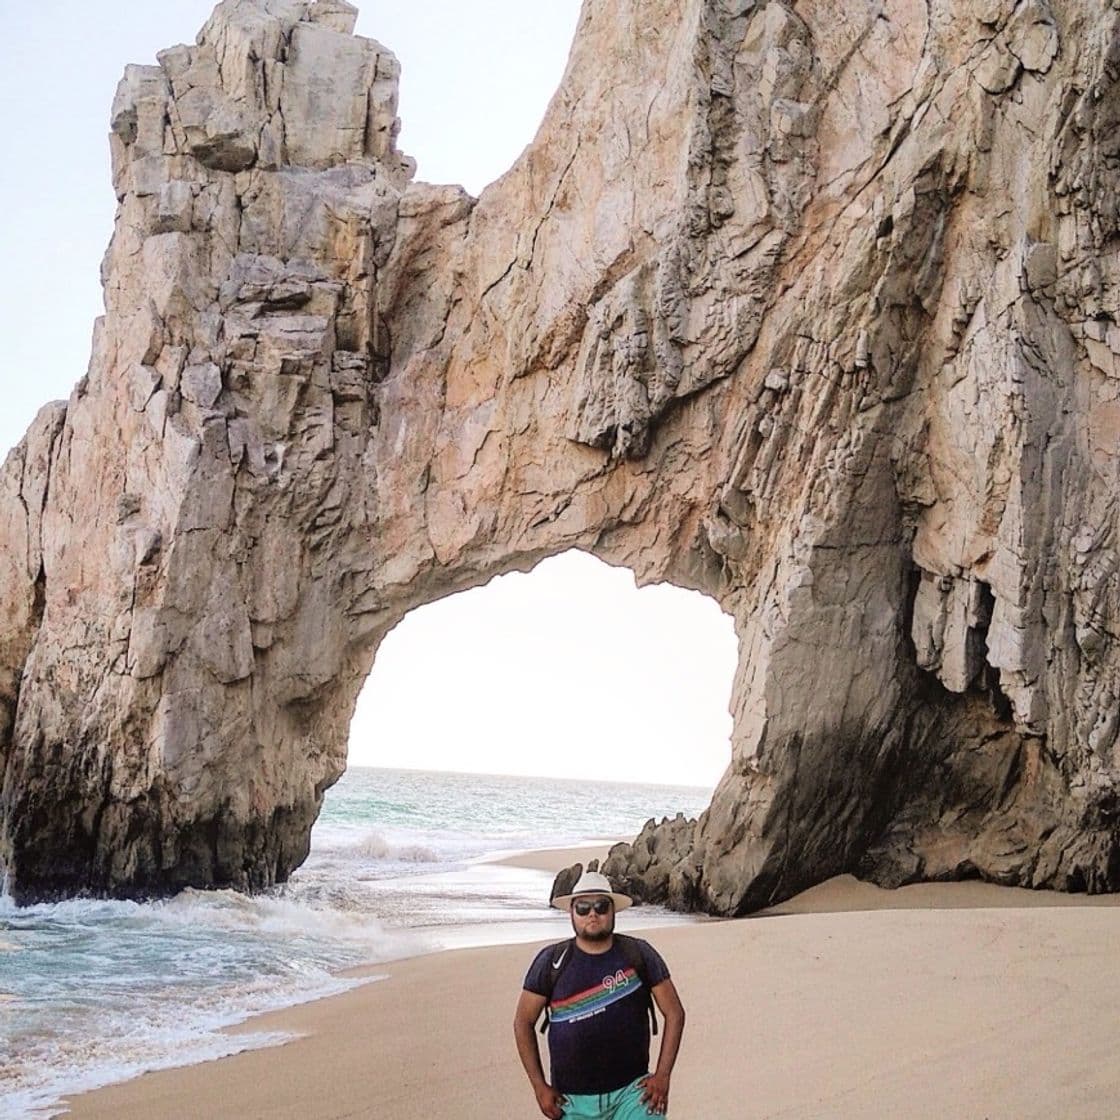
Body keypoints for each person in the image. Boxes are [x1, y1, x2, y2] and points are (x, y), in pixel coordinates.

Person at [513, 870, 686, 1119]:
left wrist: (663, 1076)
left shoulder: (638, 953)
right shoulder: (551, 962)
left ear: (613, 911)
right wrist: (539, 1087)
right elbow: (523, 1021)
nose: (592, 914)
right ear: (571, 912)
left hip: (633, 1094)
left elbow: (674, 1013)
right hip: (571, 1102)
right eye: (583, 907)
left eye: (601, 906)